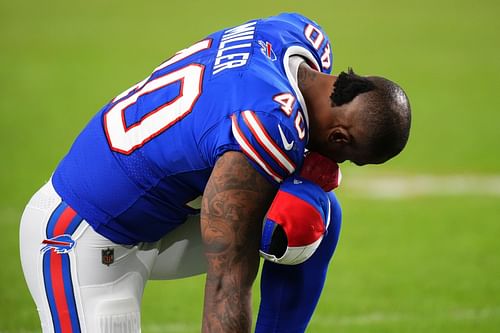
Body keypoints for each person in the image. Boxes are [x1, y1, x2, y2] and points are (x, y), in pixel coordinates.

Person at [19, 12, 411, 333]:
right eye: (348, 158)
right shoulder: (268, 125)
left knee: (312, 214)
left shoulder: (300, 37)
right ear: (339, 137)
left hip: (157, 222)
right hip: (83, 234)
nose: (337, 167)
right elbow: (227, 284)